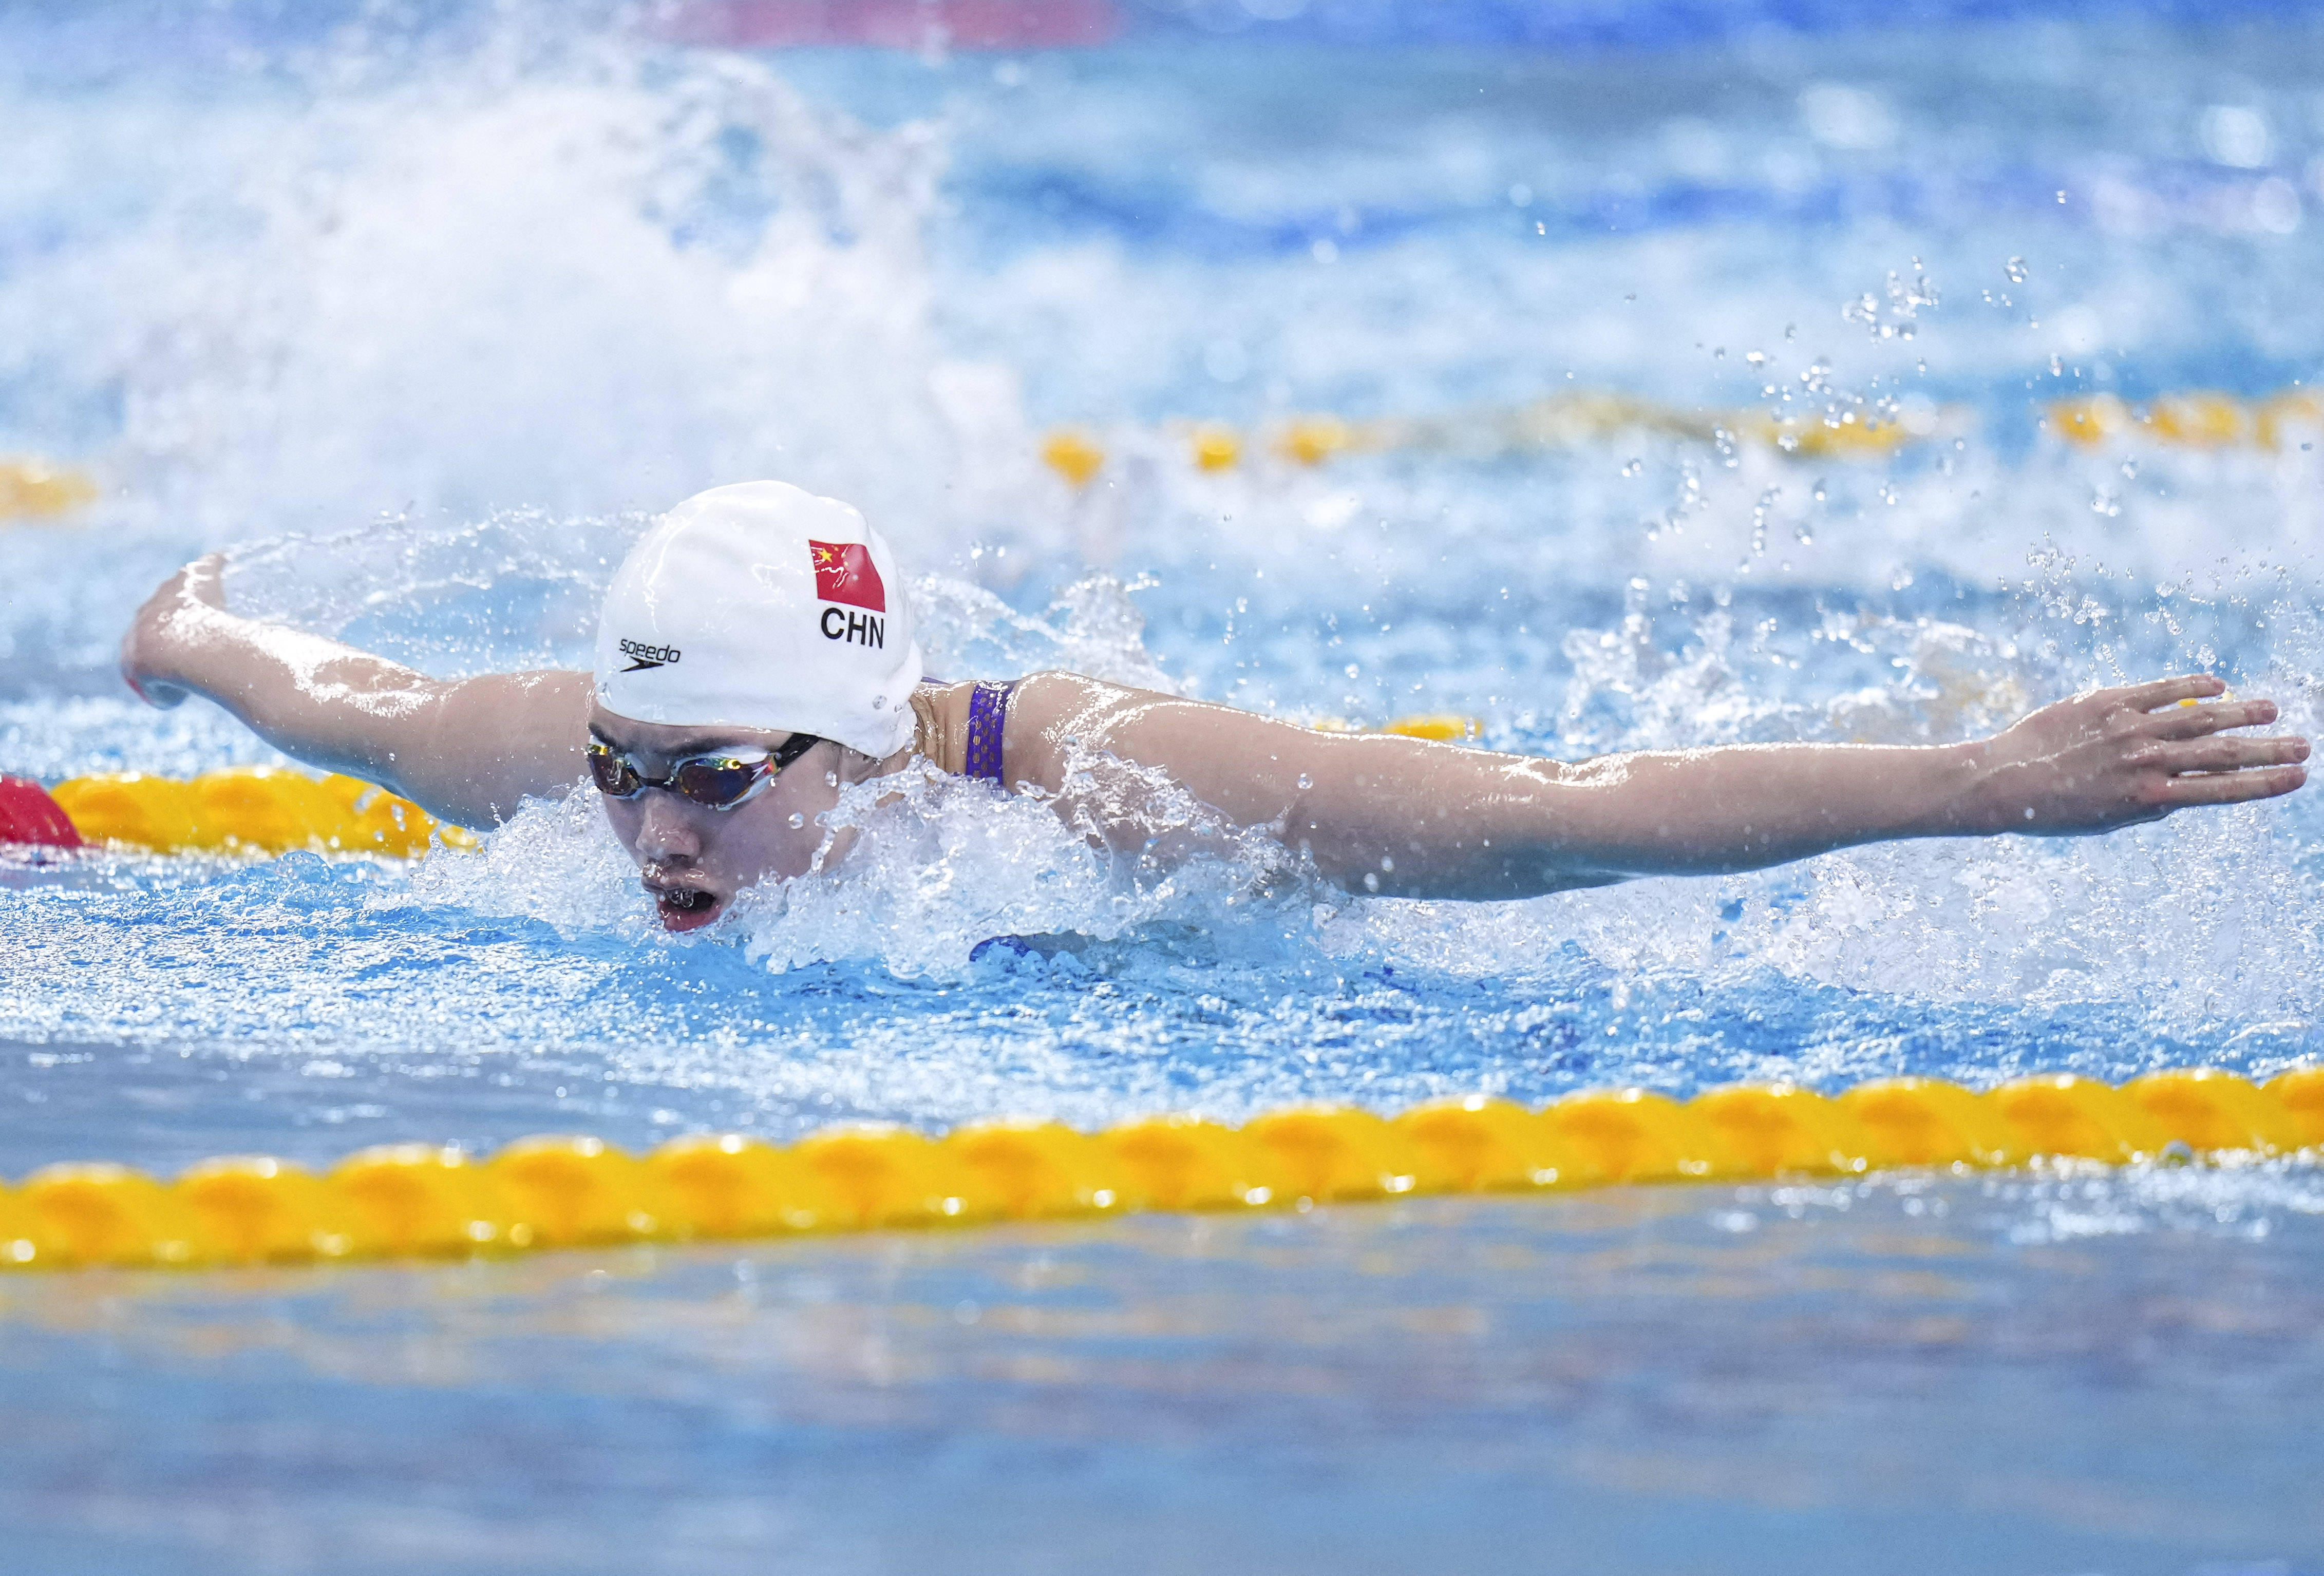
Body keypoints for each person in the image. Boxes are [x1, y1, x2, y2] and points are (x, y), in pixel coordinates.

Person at [120, 480, 2309, 933]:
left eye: (700, 781)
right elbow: (356, 702)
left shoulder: (1103, 786)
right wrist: (192, 640)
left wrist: (1982, 783)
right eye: (619, 775)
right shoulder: (599, 760)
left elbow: (1556, 813)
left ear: (856, 744)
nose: (649, 834)